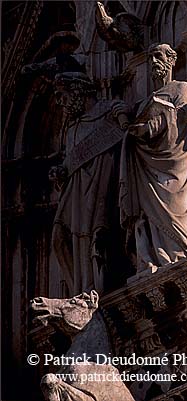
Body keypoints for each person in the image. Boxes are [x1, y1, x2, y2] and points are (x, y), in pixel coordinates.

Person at [119, 43, 187, 275]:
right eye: (151, 57)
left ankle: (178, 254)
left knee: (176, 209)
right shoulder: (144, 103)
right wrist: (133, 129)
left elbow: (184, 122)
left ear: (172, 60)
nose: (155, 61)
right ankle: (150, 258)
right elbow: (133, 131)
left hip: (173, 162)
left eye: (159, 56)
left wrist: (155, 126)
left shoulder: (181, 89)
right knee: (147, 215)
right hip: (145, 165)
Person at [50, 72, 128, 294]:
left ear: (78, 90)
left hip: (99, 191)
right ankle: (79, 289)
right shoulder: (72, 129)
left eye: (62, 95)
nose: (60, 102)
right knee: (59, 236)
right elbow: (71, 164)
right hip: (74, 195)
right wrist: (60, 174)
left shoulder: (109, 111)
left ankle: (92, 289)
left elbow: (127, 132)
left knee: (95, 240)